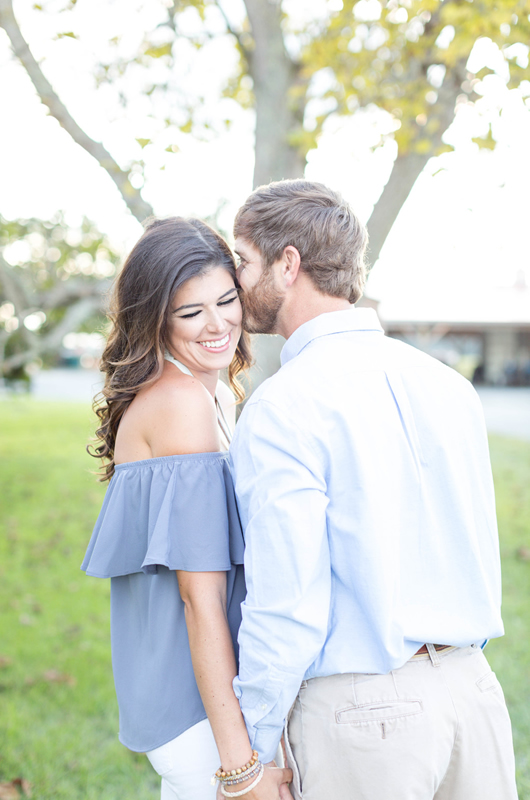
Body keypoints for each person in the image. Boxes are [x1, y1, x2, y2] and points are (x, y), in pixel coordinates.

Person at [229, 179, 518, 800]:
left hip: (365, 712)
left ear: (288, 263)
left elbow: (286, 599)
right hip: (474, 694)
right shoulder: (447, 386)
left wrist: (248, 752)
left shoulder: (284, 405)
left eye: (243, 261)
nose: (233, 281)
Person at [82, 217, 292, 800]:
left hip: (201, 696)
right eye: (190, 311)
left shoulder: (212, 389)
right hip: (198, 713)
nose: (217, 323)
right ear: (155, 317)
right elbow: (200, 599)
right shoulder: (179, 403)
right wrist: (239, 767)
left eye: (226, 299)